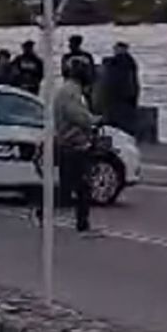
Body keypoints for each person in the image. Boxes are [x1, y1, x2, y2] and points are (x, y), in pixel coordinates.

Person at [55, 57, 99, 234]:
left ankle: (43, 213)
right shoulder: (72, 93)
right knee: (82, 186)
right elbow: (79, 117)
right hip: (73, 145)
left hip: (68, 143)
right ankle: (83, 225)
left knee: (69, 187)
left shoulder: (68, 90)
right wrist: (95, 120)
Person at [98, 42, 140, 136]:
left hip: (123, 95)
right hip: (127, 94)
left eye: (117, 49)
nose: (115, 51)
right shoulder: (129, 61)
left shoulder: (124, 61)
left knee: (122, 118)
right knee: (125, 118)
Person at [62, 34, 97, 103]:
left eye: (72, 44)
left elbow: (92, 71)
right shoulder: (67, 57)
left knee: (87, 102)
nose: (70, 46)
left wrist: (89, 84)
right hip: (72, 83)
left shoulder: (86, 56)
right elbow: (64, 72)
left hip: (83, 83)